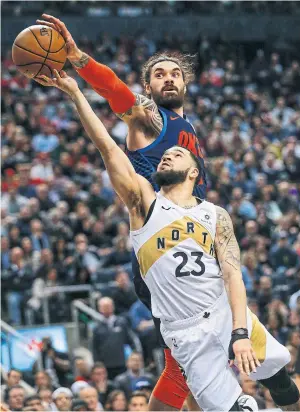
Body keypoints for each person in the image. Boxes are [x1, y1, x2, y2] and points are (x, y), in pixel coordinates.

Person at [37, 69, 300, 411]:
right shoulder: (143, 202)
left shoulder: (216, 215)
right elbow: (106, 146)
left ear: (194, 171)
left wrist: (239, 333)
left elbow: (233, 276)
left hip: (223, 312)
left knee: (279, 376)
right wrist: (75, 94)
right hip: (184, 332)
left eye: (177, 154)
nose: (167, 155)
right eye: (165, 154)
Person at [35, 13, 206, 411]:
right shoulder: (151, 117)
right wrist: (78, 57)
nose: (168, 78)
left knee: (192, 361)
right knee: (189, 360)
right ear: (148, 87)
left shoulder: (187, 127)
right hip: (164, 249)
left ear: (185, 83)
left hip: (191, 243)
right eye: (159, 74)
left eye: (175, 74)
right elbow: (115, 91)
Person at [92, 297, 142, 379]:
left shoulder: (122, 322)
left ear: (113, 307)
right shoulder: (97, 328)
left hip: (122, 363)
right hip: (106, 365)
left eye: (108, 306)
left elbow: (131, 340)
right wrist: (98, 364)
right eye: (103, 306)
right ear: (99, 309)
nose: (106, 309)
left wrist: (135, 354)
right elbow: (95, 348)